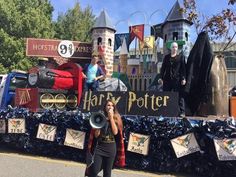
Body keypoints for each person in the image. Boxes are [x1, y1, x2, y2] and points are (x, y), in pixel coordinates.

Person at [85, 99, 126, 177]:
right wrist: (98, 125)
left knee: (107, 174)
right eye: (108, 105)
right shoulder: (100, 116)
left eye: (112, 105)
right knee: (93, 172)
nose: (110, 107)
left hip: (110, 149)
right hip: (100, 148)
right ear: (105, 107)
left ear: (114, 107)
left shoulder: (117, 118)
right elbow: (96, 135)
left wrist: (111, 118)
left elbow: (115, 132)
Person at [158, 42, 186, 117]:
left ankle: (182, 112)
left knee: (179, 96)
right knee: (166, 95)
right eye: (173, 47)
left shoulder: (181, 57)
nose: (174, 48)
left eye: (176, 47)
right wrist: (161, 77)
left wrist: (183, 78)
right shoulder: (166, 57)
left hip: (177, 79)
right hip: (167, 79)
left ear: (177, 48)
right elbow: (163, 68)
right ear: (171, 48)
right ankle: (165, 111)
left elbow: (183, 69)